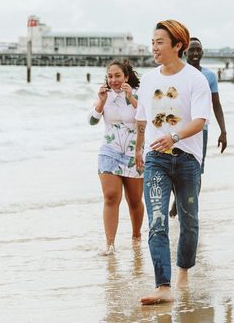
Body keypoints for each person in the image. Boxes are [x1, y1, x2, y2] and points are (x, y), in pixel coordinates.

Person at [134, 19, 212, 305]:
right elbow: (142, 117)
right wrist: (138, 147)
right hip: (156, 159)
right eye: (152, 42)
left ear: (177, 45)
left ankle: (183, 271)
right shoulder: (148, 79)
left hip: (188, 159)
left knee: (189, 222)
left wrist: (174, 136)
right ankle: (163, 286)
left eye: (160, 42)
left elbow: (201, 121)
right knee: (156, 220)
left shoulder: (195, 79)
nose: (154, 47)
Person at [168, 37, 228, 218]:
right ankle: (178, 199)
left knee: (196, 170)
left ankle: (189, 209)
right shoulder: (176, 73)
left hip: (201, 130)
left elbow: (216, 104)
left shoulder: (209, 76)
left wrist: (223, 131)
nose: (195, 53)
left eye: (198, 50)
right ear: (184, 52)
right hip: (177, 130)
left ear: (202, 53)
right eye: (191, 50)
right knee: (172, 167)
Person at [89, 60, 144, 256]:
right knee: (111, 196)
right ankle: (110, 244)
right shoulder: (105, 96)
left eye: (117, 76)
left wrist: (131, 98)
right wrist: (101, 101)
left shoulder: (138, 93)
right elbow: (92, 121)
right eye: (110, 76)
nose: (113, 80)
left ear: (126, 77)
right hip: (109, 150)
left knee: (135, 200)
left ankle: (136, 237)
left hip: (134, 152)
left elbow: (148, 119)